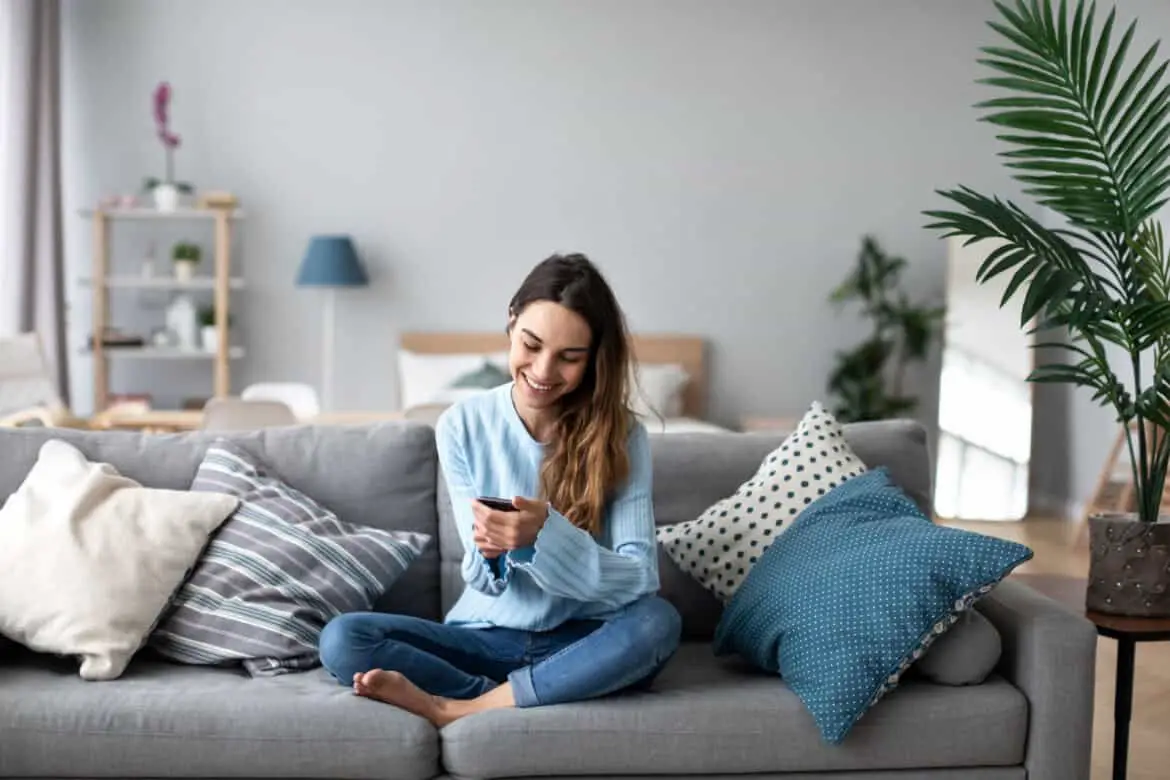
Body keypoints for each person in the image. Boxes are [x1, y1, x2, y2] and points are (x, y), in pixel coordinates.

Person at [317, 253, 682, 727]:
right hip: (484, 639)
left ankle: (462, 707)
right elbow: (483, 580)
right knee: (344, 639)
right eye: (531, 345)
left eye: (569, 358)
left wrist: (543, 537)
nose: (544, 371)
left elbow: (638, 578)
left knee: (658, 622)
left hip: (585, 638)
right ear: (511, 322)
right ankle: (521, 694)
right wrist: (494, 551)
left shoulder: (622, 435)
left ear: (593, 359)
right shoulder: (462, 426)